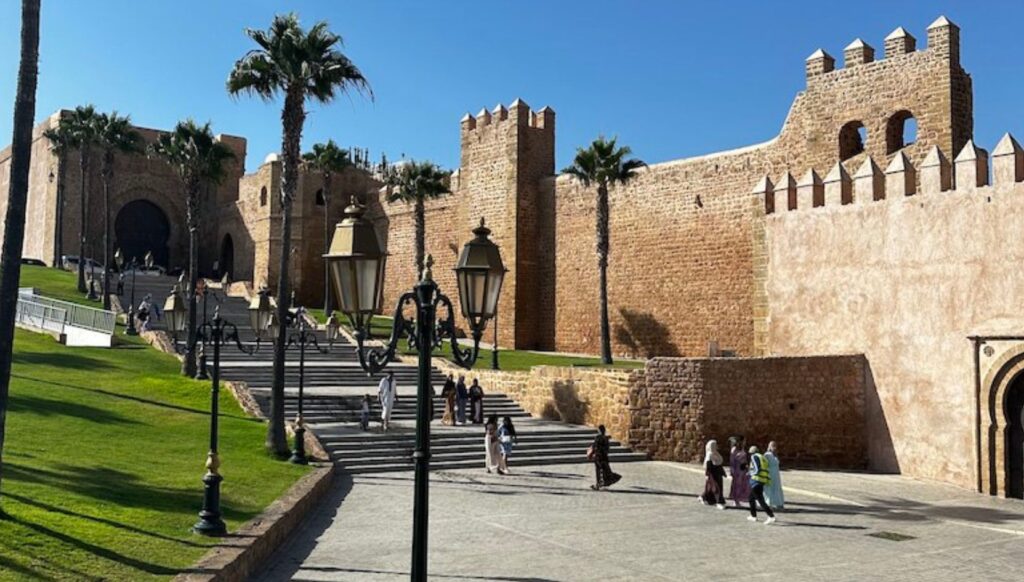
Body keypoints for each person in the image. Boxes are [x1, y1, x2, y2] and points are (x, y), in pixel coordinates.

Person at [746, 445, 776, 524]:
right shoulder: (762, 457)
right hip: (762, 480)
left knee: (760, 500)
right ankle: (753, 516)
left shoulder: (754, 457)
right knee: (751, 498)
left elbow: (757, 468)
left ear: (752, 453)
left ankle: (771, 516)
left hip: (756, 480)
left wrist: (750, 473)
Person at [589, 425, 621, 490]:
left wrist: (592, 453)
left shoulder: (598, 438)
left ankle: (598, 484)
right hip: (604, 457)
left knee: (598, 470)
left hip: (598, 457)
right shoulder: (606, 439)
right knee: (605, 470)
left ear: (599, 430)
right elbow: (607, 449)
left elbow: (595, 447)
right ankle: (603, 482)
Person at [699, 439, 726, 509]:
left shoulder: (716, 453)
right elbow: (708, 466)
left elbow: (719, 464)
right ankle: (719, 502)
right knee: (716, 488)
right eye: (715, 445)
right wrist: (707, 475)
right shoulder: (710, 455)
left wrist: (723, 473)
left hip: (718, 474)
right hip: (713, 475)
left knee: (711, 488)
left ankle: (704, 497)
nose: (716, 446)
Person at [728, 435, 750, 507]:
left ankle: (740, 498)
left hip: (743, 469)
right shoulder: (734, 449)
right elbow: (732, 460)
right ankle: (735, 500)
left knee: (743, 484)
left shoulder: (742, 449)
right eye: (744, 441)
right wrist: (732, 470)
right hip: (737, 469)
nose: (745, 442)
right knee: (736, 485)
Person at [764, 441, 785, 510]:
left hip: (776, 475)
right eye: (773, 446)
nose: (774, 448)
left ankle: (779, 503)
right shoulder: (767, 455)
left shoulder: (775, 455)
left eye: (775, 446)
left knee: (777, 488)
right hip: (770, 473)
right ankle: (769, 503)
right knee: (770, 488)